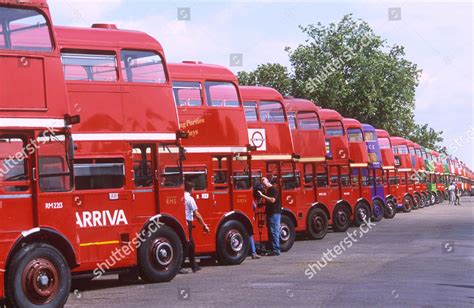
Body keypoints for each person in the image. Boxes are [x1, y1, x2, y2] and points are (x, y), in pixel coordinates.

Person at [181, 181, 210, 273]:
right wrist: (204, 225)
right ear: (191, 189)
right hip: (188, 222)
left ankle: (194, 266)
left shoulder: (181, 197)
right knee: (188, 245)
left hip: (182, 222)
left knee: (190, 245)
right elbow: (196, 214)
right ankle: (181, 266)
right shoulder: (190, 199)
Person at [258, 177, 282, 256]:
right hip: (271, 213)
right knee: (271, 232)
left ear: (268, 181)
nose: (262, 182)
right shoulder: (268, 190)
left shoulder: (273, 189)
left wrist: (262, 195)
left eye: (263, 180)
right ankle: (273, 249)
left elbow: (272, 200)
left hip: (274, 214)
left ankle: (276, 250)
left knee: (274, 231)